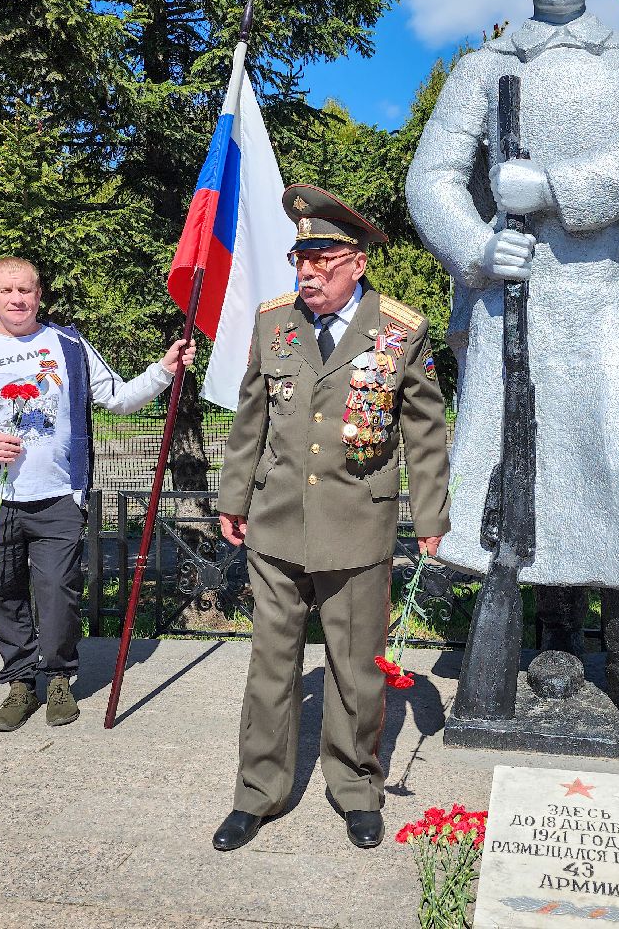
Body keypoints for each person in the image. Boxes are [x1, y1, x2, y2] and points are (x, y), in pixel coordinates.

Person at [405, 0, 619, 749]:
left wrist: (551, 188)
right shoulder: (484, 66)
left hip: (616, 294)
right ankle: (555, 641)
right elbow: (432, 176)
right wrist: (476, 245)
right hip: (516, 298)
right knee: (525, 473)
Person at [211, 185, 451, 853]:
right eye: (301, 260)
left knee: (355, 670)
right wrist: (233, 498)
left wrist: (430, 515)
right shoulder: (275, 323)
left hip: (355, 526)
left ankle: (356, 790)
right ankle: (257, 793)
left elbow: (425, 433)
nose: (308, 273)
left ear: (357, 263)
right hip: (278, 521)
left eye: (323, 260)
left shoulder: (399, 330)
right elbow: (251, 420)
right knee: (270, 666)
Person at [0, 257, 194, 731]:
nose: (17, 299)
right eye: (6, 291)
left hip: (58, 498)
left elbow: (117, 398)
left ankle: (60, 677)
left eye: (25, 290)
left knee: (58, 595)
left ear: (39, 294)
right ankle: (21, 683)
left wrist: (163, 371)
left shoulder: (68, 345)